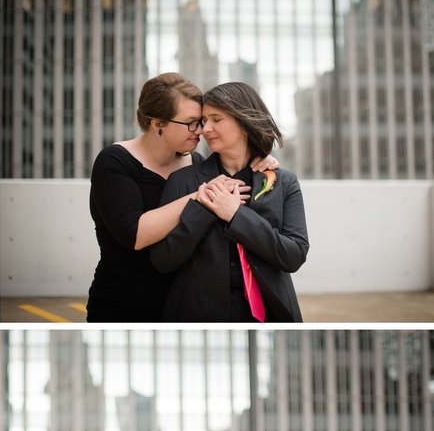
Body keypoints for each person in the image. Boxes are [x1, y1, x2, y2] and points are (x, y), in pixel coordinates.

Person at [87, 72, 277, 323]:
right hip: (124, 302)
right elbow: (135, 234)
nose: (201, 131)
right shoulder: (114, 162)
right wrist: (201, 196)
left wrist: (261, 160)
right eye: (191, 122)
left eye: (201, 121)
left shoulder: (197, 164)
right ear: (157, 124)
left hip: (182, 304)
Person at [149, 82, 309, 322]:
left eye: (216, 119)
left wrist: (237, 215)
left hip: (270, 313)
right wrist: (204, 207)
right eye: (204, 121)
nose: (205, 129)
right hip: (196, 313)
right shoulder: (182, 181)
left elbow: (294, 254)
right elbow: (162, 260)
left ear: (244, 123)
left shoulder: (284, 182)